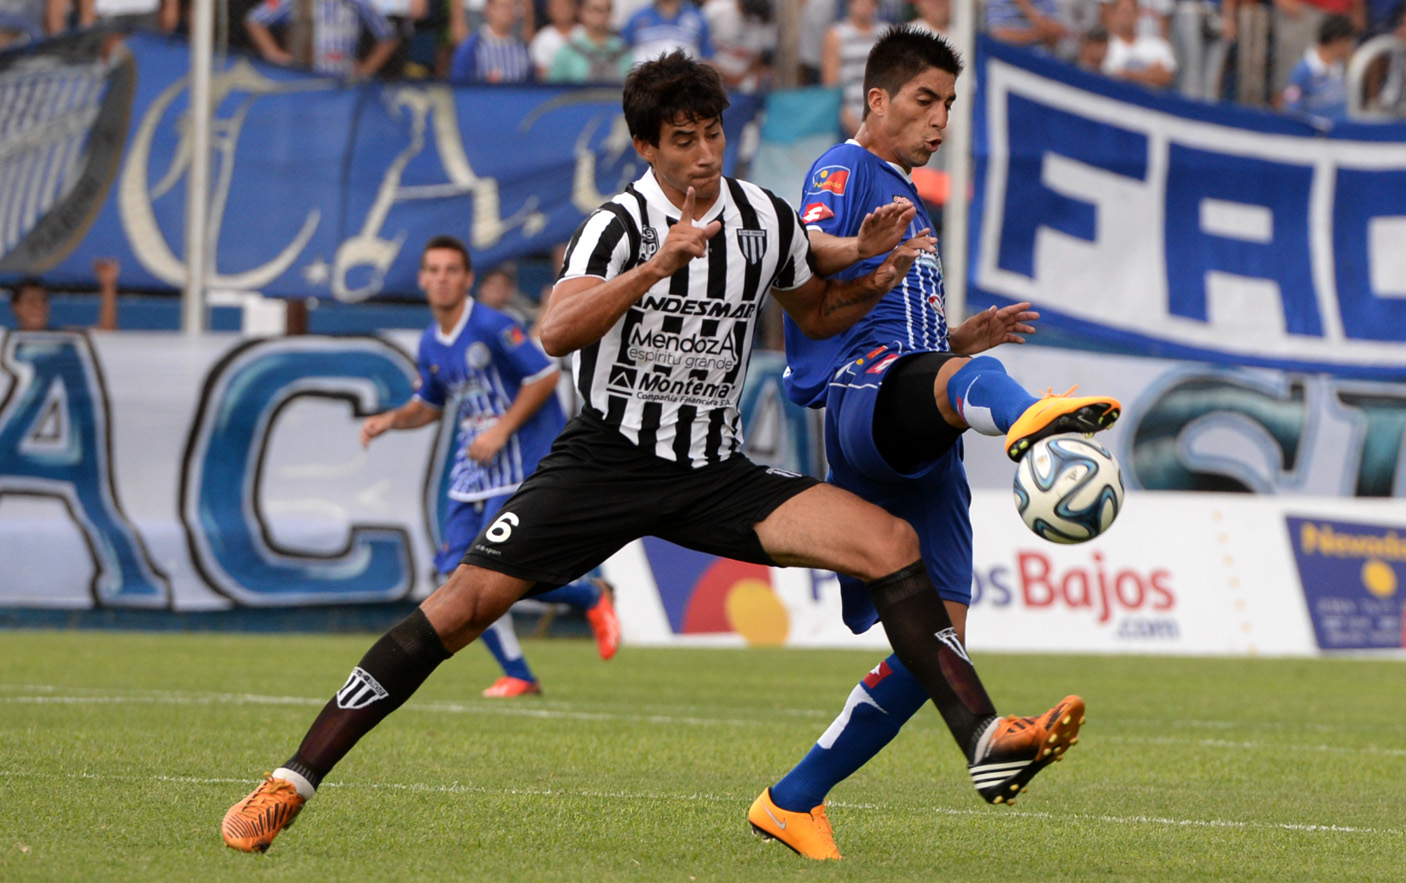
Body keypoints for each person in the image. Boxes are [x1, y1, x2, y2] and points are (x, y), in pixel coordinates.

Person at [220, 50, 1062, 855]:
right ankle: (293, 778)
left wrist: (872, 274)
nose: (704, 154)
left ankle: (983, 737)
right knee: (461, 608)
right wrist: (658, 265)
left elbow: (814, 307)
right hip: (606, 463)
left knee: (891, 542)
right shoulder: (618, 226)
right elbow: (556, 331)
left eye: (714, 134)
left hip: (714, 472)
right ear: (646, 147)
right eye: (683, 140)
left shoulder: (761, 216)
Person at [749, 26, 1120, 860]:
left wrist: (958, 341)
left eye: (949, 105)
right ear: (877, 99)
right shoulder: (844, 169)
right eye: (926, 101)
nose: (940, 120)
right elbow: (806, 257)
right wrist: (867, 261)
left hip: (922, 415)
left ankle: (793, 799)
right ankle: (1030, 421)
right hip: (863, 394)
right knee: (966, 381)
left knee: (935, 643)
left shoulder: (910, 199)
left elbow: (911, 337)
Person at [359, 236, 619, 699]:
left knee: (496, 571)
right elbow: (428, 405)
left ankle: (588, 598)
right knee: (456, 576)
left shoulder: (493, 325)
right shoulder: (431, 342)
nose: (441, 279)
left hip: (517, 460)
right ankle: (521, 670)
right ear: (422, 280)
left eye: (450, 270)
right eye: (433, 270)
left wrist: (501, 431)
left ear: (467, 279)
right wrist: (391, 420)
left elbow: (542, 377)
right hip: (474, 468)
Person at [243, 0, 399, 78]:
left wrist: (366, 70)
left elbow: (389, 36)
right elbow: (255, 20)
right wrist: (274, 53)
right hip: (302, 76)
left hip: (341, 80)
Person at [825, 0, 891, 136]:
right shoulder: (836, 35)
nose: (864, 6)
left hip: (882, 116)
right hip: (848, 117)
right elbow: (830, 84)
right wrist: (845, 116)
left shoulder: (887, 34)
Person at [5, 259, 121, 332]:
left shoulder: (64, 338)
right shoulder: (4, 342)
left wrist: (108, 285)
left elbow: (106, 333)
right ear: (16, 307)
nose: (39, 306)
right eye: (31, 301)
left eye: (43, 301)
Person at [547, 0, 632, 81]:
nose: (598, 15)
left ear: (611, 14)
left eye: (603, 10)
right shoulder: (567, 52)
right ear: (582, 12)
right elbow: (553, 88)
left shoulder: (622, 50)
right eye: (594, 9)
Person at [450, 0, 533, 82]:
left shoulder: (522, 49)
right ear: (488, 9)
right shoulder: (472, 47)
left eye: (512, 7)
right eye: (503, 6)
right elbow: (459, 83)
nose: (508, 11)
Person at [1101, 0, 1178, 88]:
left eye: (1131, 12)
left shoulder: (1158, 46)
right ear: (1113, 13)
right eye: (1124, 11)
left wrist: (1127, 75)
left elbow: (1166, 76)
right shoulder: (1104, 45)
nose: (1127, 16)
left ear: (1138, 14)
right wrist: (1147, 74)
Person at [620, 0, 712, 67]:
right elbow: (622, 53)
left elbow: (707, 57)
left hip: (687, 83)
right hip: (647, 83)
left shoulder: (697, 17)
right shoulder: (637, 18)